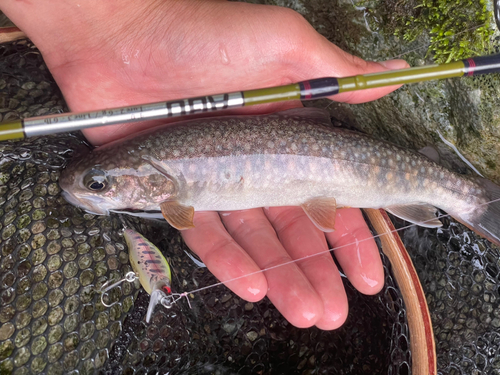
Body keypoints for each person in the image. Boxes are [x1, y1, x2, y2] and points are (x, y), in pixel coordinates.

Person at [1, 0, 408, 330]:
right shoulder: (163, 188)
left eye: (99, 184)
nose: (89, 191)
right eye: (97, 186)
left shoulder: (168, 193)